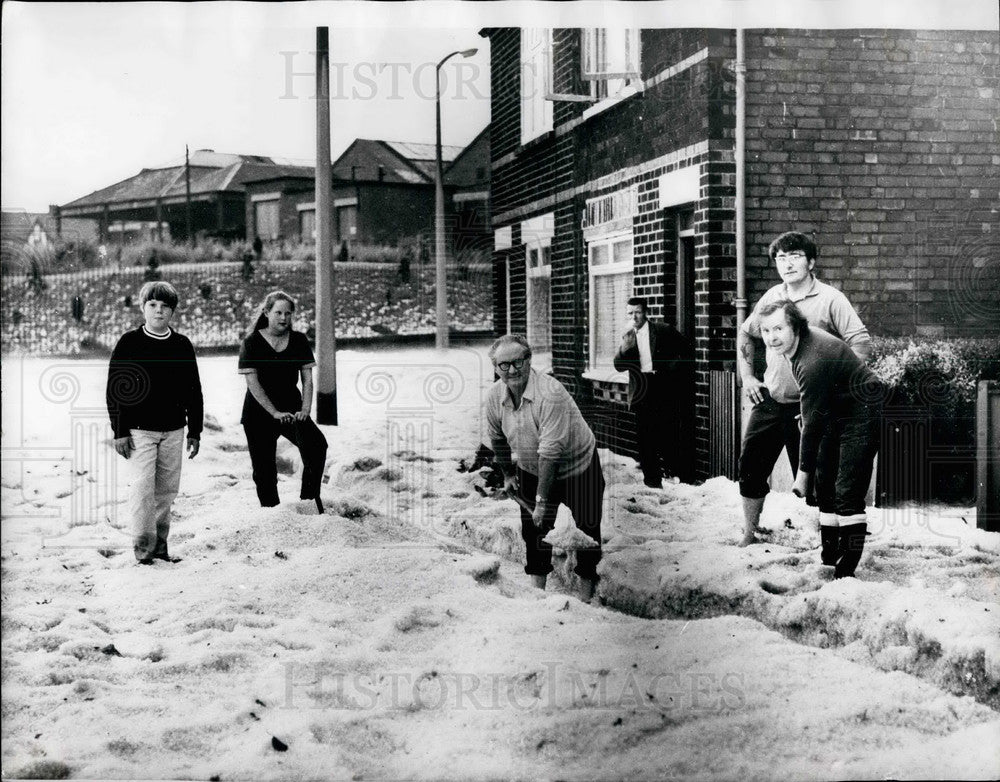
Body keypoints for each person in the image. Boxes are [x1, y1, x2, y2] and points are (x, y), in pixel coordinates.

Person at [737, 231, 871, 546]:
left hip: (813, 407)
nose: (787, 263)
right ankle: (749, 532)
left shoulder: (830, 298)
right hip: (771, 400)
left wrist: (839, 390)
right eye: (780, 258)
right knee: (750, 465)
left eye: (795, 255)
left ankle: (828, 541)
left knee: (820, 477)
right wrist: (748, 377)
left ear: (811, 262)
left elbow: (860, 342)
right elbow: (746, 335)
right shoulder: (771, 298)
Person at [758, 299, 882, 578]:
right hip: (836, 409)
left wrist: (802, 473)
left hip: (863, 410)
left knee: (847, 491)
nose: (771, 337)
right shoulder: (796, 346)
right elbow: (814, 409)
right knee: (825, 484)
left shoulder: (812, 358)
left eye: (778, 328)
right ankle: (828, 557)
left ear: (794, 326)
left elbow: (811, 423)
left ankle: (845, 572)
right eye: (766, 331)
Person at [485, 335, 605, 602]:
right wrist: (507, 474)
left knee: (587, 527)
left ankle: (586, 594)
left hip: (578, 467)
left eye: (518, 362)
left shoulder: (550, 393)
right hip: (531, 467)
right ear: (496, 368)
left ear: (529, 361)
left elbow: (550, 454)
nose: (512, 370)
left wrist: (541, 501)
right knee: (533, 531)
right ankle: (537, 593)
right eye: (504, 365)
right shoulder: (494, 397)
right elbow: (497, 438)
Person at [106, 281, 203, 565]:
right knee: (141, 490)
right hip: (139, 430)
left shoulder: (182, 345)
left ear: (172, 312)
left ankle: (160, 547)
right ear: (143, 308)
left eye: (165, 307)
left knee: (166, 492)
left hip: (174, 429)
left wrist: (194, 430)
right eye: (153, 305)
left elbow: (193, 390)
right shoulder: (130, 343)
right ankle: (143, 551)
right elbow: (115, 389)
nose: (158, 311)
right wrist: (120, 430)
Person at [238, 291, 328, 511]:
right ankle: (272, 515)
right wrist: (273, 412)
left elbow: (307, 379)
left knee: (316, 446)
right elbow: (253, 384)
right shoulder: (251, 342)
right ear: (267, 313)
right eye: (278, 312)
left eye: (288, 313)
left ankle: (308, 502)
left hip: (292, 409)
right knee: (264, 470)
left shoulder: (298, 340)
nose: (283, 318)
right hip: (259, 412)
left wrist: (305, 409)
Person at [613, 297, 693, 487]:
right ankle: (652, 481)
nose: (634, 317)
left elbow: (686, 349)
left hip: (662, 385)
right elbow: (618, 366)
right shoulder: (628, 336)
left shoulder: (662, 330)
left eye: (638, 312)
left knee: (668, 433)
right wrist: (625, 345)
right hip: (642, 389)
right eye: (630, 313)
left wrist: (672, 370)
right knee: (645, 438)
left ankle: (676, 475)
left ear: (646, 312)